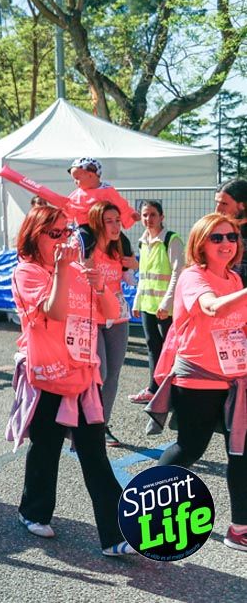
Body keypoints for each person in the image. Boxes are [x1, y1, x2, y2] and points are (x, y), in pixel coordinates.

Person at [7, 205, 134, 556]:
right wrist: (64, 269)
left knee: (94, 453)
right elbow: (55, 311)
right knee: (46, 447)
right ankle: (33, 511)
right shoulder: (27, 272)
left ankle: (116, 535)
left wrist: (100, 286)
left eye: (67, 232)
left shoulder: (77, 269)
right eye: (55, 233)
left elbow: (112, 313)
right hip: (48, 374)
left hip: (82, 375)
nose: (64, 239)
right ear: (35, 236)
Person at [152, 213, 247, 552]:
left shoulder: (234, 278)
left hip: (234, 379)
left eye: (231, 237)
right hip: (198, 379)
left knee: (242, 452)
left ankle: (239, 528)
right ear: (200, 243)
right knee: (190, 448)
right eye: (216, 238)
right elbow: (212, 309)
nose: (226, 243)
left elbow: (238, 325)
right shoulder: (193, 277)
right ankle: (147, 505)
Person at [86, 201, 136, 442]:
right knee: (100, 373)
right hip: (92, 317)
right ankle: (86, 423)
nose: (116, 226)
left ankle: (101, 426)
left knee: (113, 375)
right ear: (98, 223)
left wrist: (135, 265)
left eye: (118, 220)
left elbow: (131, 278)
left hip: (118, 316)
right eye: (109, 221)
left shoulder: (120, 247)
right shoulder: (87, 248)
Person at [128, 201, 184, 404]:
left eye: (152, 214)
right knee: (153, 347)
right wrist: (137, 301)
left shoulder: (171, 240)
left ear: (162, 217)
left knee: (171, 350)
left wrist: (167, 303)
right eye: (145, 215)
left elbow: (178, 272)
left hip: (165, 308)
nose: (148, 219)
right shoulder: (143, 241)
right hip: (147, 305)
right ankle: (154, 390)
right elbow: (143, 275)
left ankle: (175, 392)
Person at [215, 178, 247, 284]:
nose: (217, 210)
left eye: (224, 204)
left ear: (242, 205)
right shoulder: (216, 230)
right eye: (217, 203)